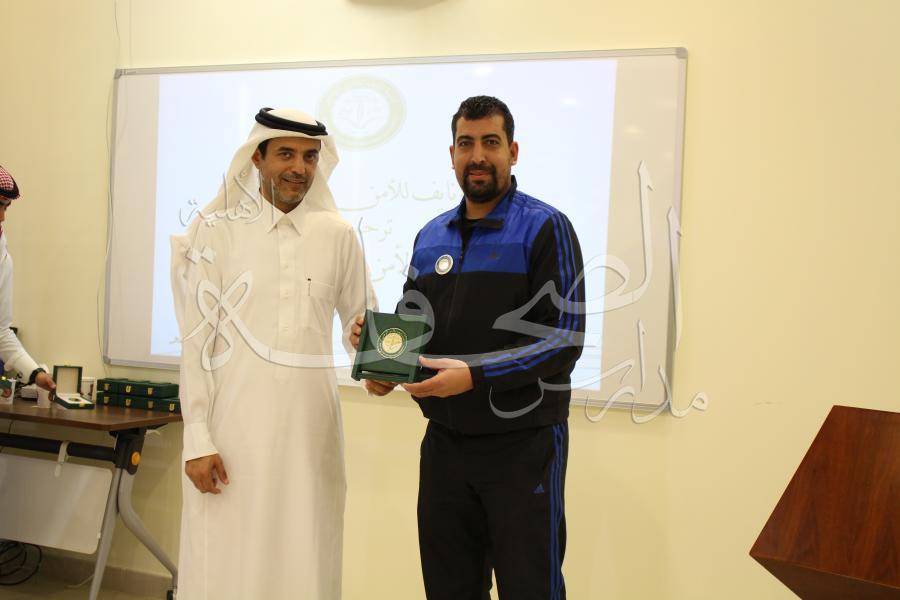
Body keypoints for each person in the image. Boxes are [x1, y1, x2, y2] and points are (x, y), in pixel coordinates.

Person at [351, 96, 585, 599]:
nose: (477, 156)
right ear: (452, 154)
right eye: (466, 144)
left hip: (524, 446)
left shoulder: (547, 227)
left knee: (532, 589)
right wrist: (381, 363)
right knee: (448, 589)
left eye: (490, 143)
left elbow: (564, 338)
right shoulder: (430, 235)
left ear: (513, 152)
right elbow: (413, 328)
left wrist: (473, 375)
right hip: (445, 448)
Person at [171, 108, 374, 600]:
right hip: (231, 436)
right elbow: (196, 345)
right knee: (226, 562)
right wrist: (196, 437)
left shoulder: (338, 235)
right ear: (257, 158)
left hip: (310, 437)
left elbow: (361, 323)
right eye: (286, 154)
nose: (299, 168)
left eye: (309, 157)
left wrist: (375, 361)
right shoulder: (216, 232)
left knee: (305, 556)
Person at [0, 165, 56, 394]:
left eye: (6, 207)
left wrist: (35, 373)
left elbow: (1, 331)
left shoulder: (3, 259)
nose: (2, 217)